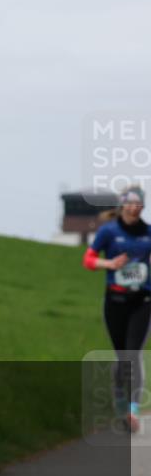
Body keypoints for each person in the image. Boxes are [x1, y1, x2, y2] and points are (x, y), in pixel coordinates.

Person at [83, 186, 151, 434]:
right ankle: (121, 404)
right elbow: (88, 260)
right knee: (122, 356)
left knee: (133, 354)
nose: (134, 208)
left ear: (142, 207)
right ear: (123, 205)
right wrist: (109, 263)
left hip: (142, 301)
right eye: (130, 203)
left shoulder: (149, 233)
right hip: (115, 302)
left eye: (138, 204)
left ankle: (132, 411)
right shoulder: (108, 231)